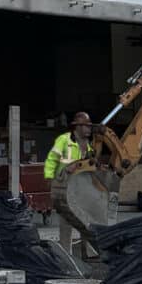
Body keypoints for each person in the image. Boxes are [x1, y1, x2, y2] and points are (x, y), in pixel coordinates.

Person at [43, 109, 97, 263]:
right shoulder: (64, 140)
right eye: (86, 126)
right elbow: (52, 159)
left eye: (89, 126)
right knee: (66, 222)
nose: (89, 129)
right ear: (77, 127)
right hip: (64, 187)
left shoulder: (88, 145)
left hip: (80, 188)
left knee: (86, 220)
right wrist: (50, 177)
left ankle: (90, 253)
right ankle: (66, 254)